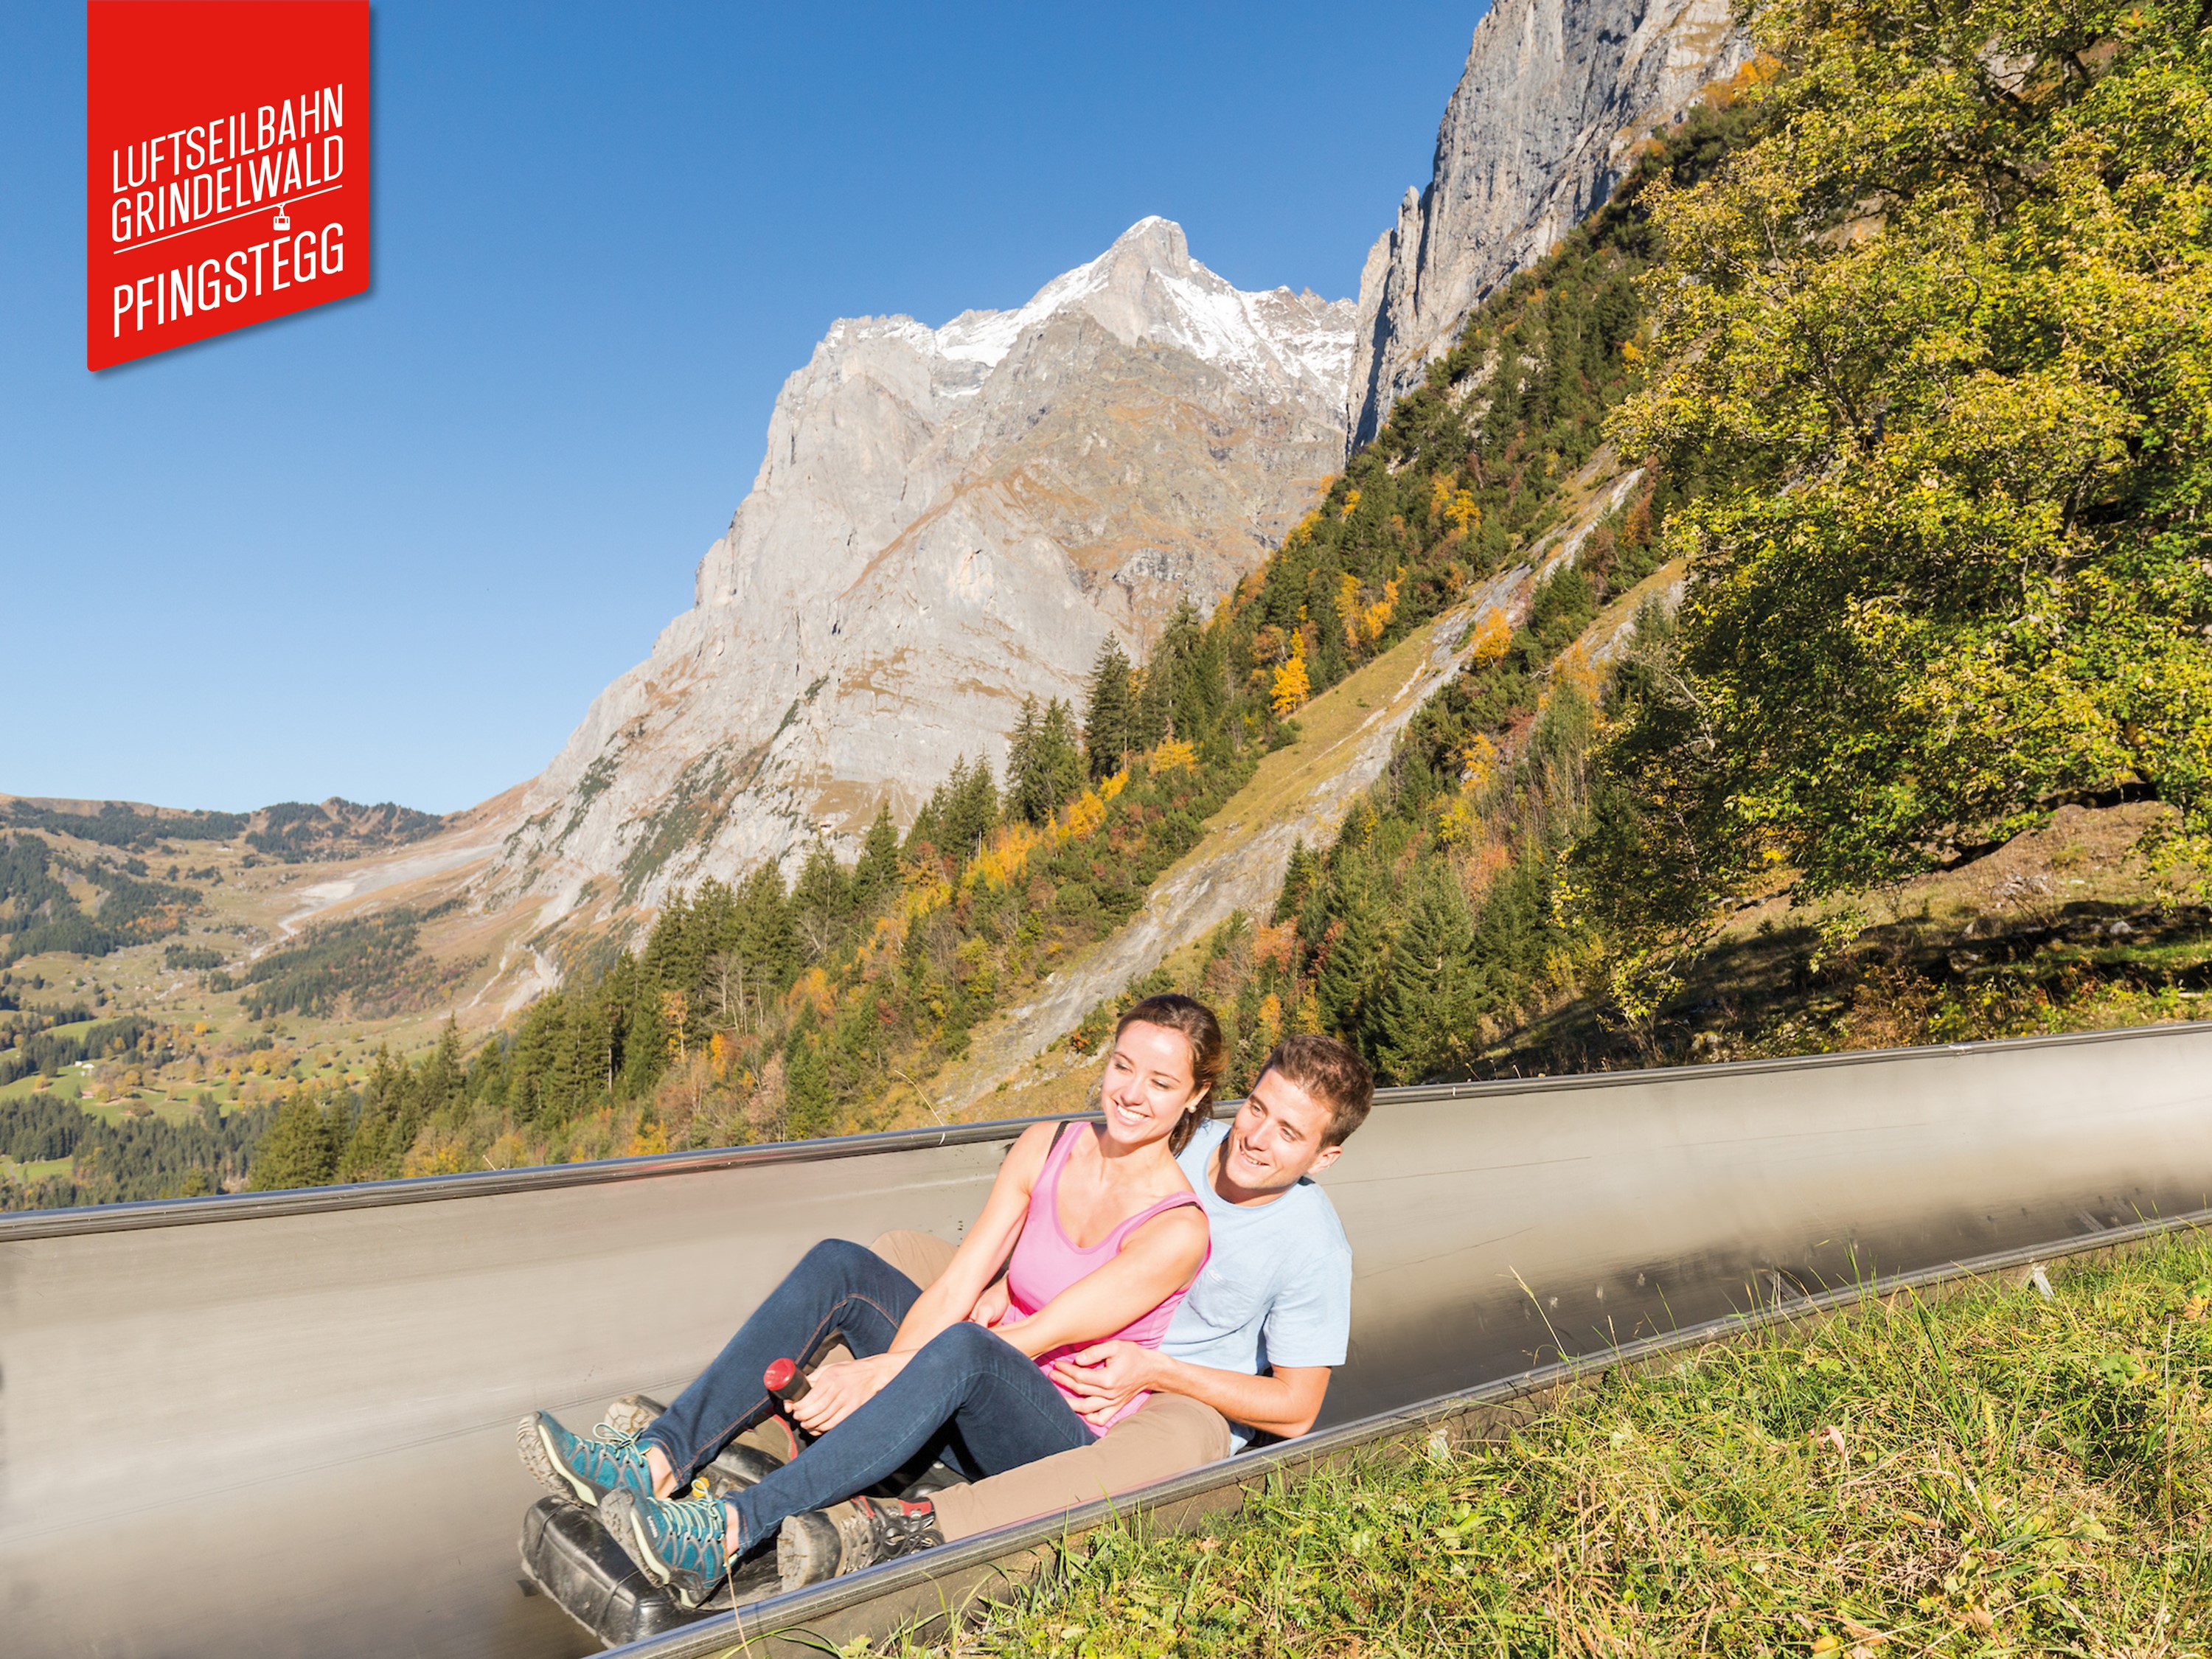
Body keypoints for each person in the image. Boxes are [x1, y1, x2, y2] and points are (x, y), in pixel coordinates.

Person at [517, 994, 1222, 1608]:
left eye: (1161, 1082)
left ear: (1194, 1097)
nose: (1131, 1092)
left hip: (1048, 1430)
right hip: (964, 1374)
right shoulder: (1050, 1144)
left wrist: (874, 1375)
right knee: (842, 1265)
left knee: (972, 1347)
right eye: (1123, 1066)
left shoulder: (1176, 1229)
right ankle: (656, 1461)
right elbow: (955, 1286)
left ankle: (730, 1531)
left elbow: (1028, 1339)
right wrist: (896, 1368)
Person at [885, 1030, 1373, 1548]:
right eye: (1256, 1109)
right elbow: (1070, 1210)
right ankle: (810, 1419)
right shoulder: (1177, 1140)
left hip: (1167, 1391)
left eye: (1289, 1134)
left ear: (1323, 1158)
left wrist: (1158, 1370)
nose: (1256, 1137)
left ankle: (922, 1529)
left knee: (1179, 1442)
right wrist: (1008, 1279)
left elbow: (1296, 1409)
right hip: (1063, 1325)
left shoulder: (1314, 1248)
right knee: (900, 1253)